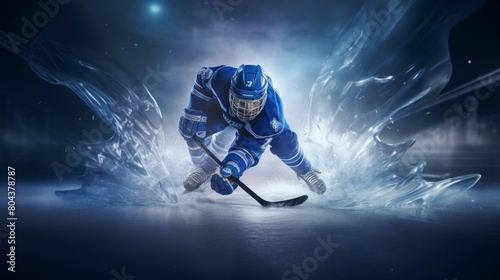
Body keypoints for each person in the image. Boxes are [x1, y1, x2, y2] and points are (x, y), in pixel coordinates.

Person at [178, 64, 326, 195]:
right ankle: (202, 167)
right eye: (241, 102)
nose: (246, 110)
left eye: (253, 104)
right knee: (191, 125)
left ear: (264, 98)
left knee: (285, 144)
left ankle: (306, 170)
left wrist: (232, 169)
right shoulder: (220, 78)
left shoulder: (272, 118)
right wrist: (195, 111)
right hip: (224, 112)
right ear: (230, 91)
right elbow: (202, 82)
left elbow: (248, 151)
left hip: (254, 124)